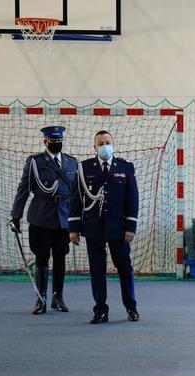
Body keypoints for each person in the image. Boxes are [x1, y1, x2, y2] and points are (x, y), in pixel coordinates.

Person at [68, 130, 140, 324]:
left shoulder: (125, 167)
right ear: (94, 147)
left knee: (124, 268)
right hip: (93, 227)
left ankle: (131, 307)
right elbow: (75, 199)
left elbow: (132, 198)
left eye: (107, 142)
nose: (104, 146)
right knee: (97, 270)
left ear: (113, 144)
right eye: (100, 143)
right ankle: (100, 310)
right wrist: (73, 228)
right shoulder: (84, 168)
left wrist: (130, 227)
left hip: (119, 228)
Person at [10, 126, 78, 315]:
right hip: (41, 217)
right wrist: (15, 216)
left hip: (64, 218)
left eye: (59, 142)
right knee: (42, 258)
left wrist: (78, 220)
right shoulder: (35, 162)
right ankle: (42, 299)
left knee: (60, 257)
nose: (56, 145)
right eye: (52, 142)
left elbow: (77, 194)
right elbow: (24, 188)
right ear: (45, 142)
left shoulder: (72, 163)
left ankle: (58, 297)